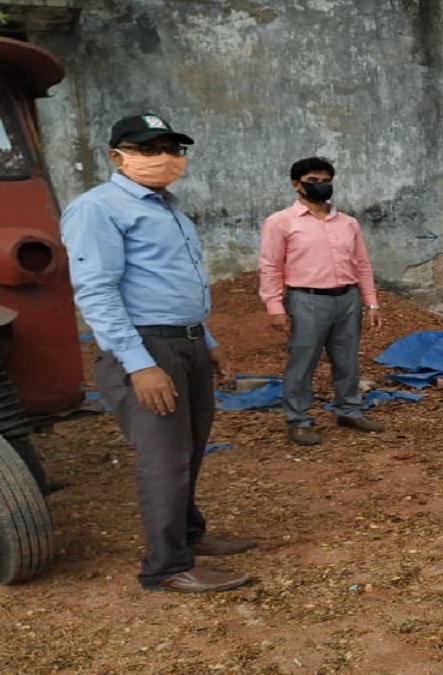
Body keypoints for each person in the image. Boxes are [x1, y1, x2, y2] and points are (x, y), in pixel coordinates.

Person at [61, 113, 254, 593]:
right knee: (164, 458)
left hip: (183, 341)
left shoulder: (169, 208)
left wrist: (206, 341)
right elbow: (97, 292)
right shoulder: (98, 208)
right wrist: (140, 364)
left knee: (188, 449)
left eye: (173, 149)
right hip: (146, 347)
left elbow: (170, 286)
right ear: (117, 156)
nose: (164, 159)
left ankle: (188, 537)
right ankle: (165, 567)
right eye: (149, 149)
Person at [258, 157, 384, 446]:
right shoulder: (280, 223)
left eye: (325, 181)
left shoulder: (348, 223)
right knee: (302, 361)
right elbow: (270, 266)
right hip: (307, 300)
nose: (321, 186)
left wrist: (371, 302)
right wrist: (275, 306)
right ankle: (298, 419)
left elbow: (362, 264)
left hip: (347, 298)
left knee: (347, 359)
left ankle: (349, 409)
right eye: (313, 181)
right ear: (296, 184)